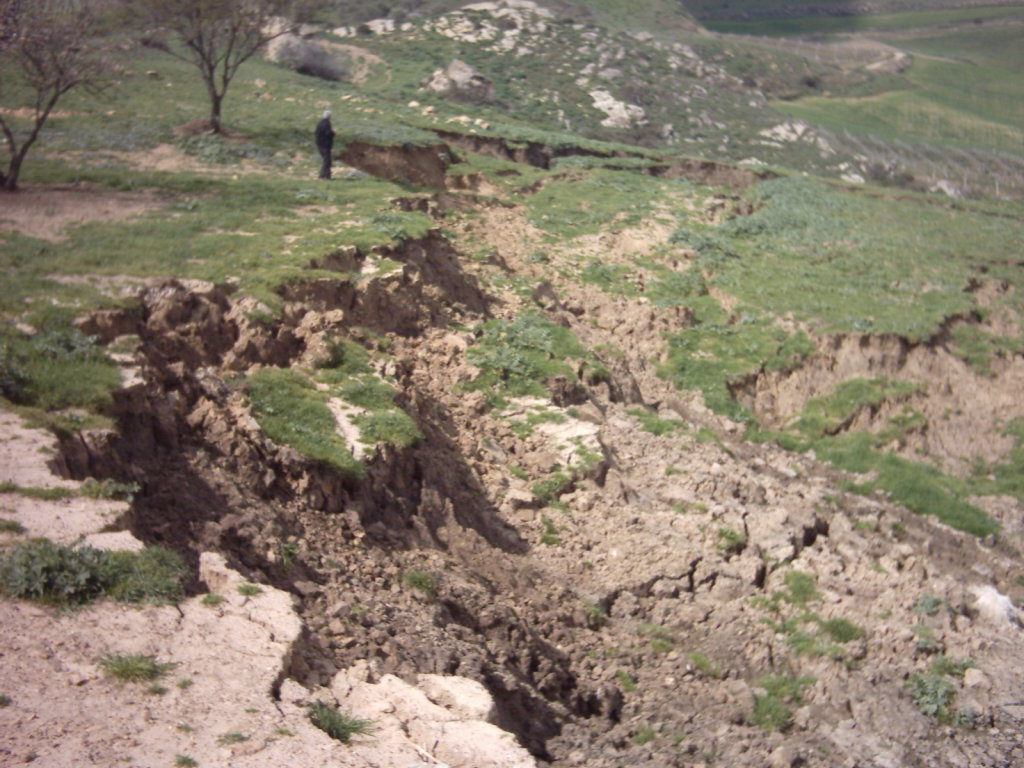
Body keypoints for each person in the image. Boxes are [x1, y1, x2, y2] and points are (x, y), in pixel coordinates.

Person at [315, 109, 335, 180]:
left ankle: (327, 176)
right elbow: (328, 133)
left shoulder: (320, 123)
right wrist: (333, 133)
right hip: (325, 145)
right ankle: (322, 176)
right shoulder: (327, 123)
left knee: (327, 160)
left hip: (320, 144)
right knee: (327, 161)